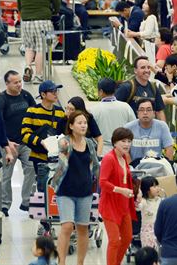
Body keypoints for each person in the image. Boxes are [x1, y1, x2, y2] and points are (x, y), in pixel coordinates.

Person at [52, 111, 99, 265]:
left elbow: (95, 166)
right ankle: (62, 262)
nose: (83, 125)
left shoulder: (91, 144)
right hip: (65, 190)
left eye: (85, 122)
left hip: (85, 191)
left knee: (83, 228)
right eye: (79, 122)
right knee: (66, 226)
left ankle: (80, 262)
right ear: (71, 126)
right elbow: (61, 162)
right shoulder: (65, 142)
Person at [0, 70, 37, 215]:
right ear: (7, 84)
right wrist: (6, 142)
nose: (19, 84)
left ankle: (27, 201)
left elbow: (35, 114)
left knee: (31, 169)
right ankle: (5, 205)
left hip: (25, 143)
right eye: (15, 82)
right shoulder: (1, 100)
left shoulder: (26, 95)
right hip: (8, 145)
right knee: (6, 176)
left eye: (20, 81)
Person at [20, 80, 66, 196]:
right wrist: (41, 142)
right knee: (43, 188)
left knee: (57, 188)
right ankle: (44, 211)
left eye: (56, 91)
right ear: (43, 95)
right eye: (52, 91)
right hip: (39, 157)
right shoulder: (32, 111)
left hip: (57, 158)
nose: (56, 94)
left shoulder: (60, 112)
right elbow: (25, 135)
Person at [99, 127, 137, 265]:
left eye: (129, 141)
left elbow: (126, 181)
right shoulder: (109, 159)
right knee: (114, 240)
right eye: (123, 141)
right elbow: (102, 183)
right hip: (110, 205)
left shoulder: (124, 158)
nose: (127, 144)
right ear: (115, 142)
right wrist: (120, 190)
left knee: (127, 238)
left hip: (124, 204)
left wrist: (134, 195)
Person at [90, 78, 136, 154]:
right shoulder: (126, 107)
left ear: (101, 92)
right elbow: (134, 127)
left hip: (102, 150)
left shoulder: (93, 110)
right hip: (122, 150)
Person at [136, 176, 162, 250]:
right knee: (148, 252)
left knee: (159, 251)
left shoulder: (160, 200)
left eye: (157, 185)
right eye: (154, 186)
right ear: (147, 189)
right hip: (147, 231)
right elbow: (137, 208)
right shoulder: (144, 201)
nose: (157, 188)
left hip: (159, 229)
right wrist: (139, 197)